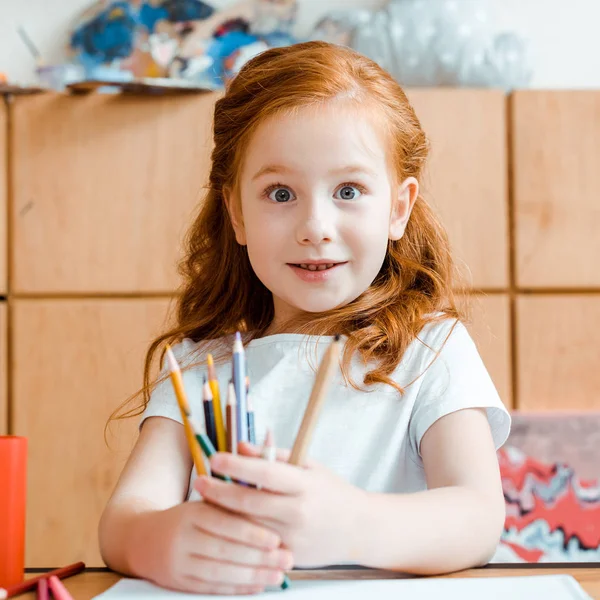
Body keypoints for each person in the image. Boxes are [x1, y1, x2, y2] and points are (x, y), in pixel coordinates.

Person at [99, 40, 511, 596]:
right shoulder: (200, 365)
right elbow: (124, 521)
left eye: (347, 190)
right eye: (280, 192)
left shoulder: (432, 349)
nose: (315, 225)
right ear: (236, 212)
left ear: (398, 207)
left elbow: (479, 516)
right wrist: (162, 541)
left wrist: (352, 525)